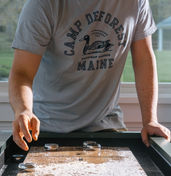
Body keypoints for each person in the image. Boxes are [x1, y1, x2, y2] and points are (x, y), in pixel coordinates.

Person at [9, 0, 170, 151]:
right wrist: (23, 110)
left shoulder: (136, 2)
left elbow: (144, 60)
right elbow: (22, 73)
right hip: (47, 128)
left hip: (106, 124)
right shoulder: (43, 4)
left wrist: (150, 120)